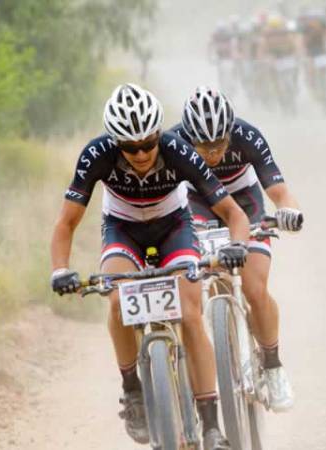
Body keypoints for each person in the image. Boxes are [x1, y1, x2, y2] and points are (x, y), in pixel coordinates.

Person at [50, 83, 251, 450]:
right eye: (130, 147)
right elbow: (66, 222)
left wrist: (237, 245)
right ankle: (132, 391)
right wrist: (60, 270)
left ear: (159, 134)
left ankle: (211, 425)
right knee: (116, 300)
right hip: (122, 230)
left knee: (190, 311)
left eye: (148, 143)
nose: (141, 153)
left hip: (174, 227)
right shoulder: (95, 154)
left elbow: (233, 213)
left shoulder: (179, 151)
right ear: (116, 143)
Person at [170, 87, 304, 412]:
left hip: (245, 201)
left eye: (220, 144)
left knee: (255, 288)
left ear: (230, 133)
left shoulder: (247, 135)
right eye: (204, 146)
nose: (213, 152)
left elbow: (279, 190)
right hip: (197, 202)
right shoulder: (173, 143)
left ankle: (272, 365)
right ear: (189, 137)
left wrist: (288, 211)